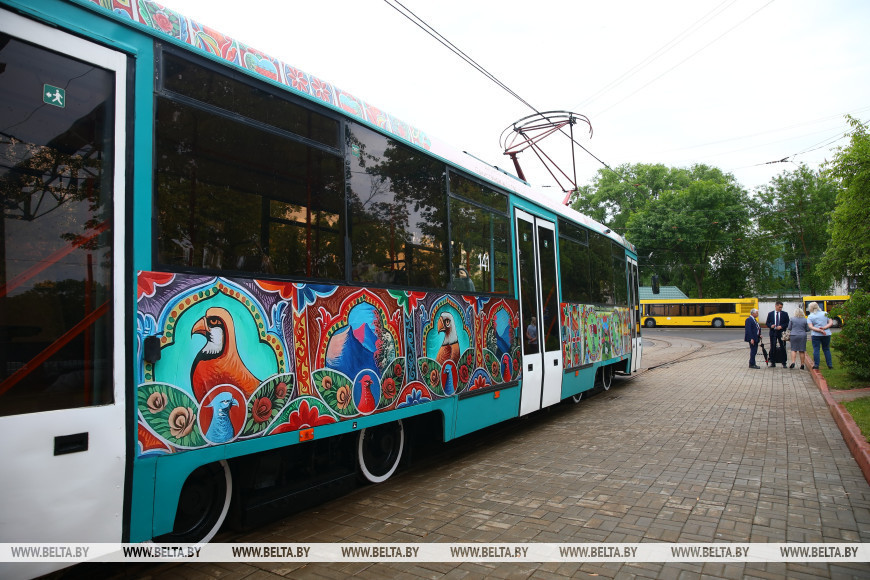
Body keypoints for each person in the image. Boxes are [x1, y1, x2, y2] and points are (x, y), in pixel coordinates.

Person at [806, 301, 834, 370]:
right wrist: (824, 328)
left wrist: (819, 330)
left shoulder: (810, 316)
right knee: (826, 349)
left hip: (816, 335)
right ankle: (830, 365)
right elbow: (831, 322)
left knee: (816, 349)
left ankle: (816, 365)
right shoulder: (825, 313)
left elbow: (811, 327)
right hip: (826, 334)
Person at [765, 301, 790, 368]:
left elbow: (787, 323)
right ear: (776, 306)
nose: (780, 308)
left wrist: (781, 326)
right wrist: (771, 326)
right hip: (773, 332)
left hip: (781, 332)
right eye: (779, 307)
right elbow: (767, 323)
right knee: (772, 347)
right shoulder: (770, 314)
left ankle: (784, 362)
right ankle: (772, 362)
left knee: (782, 347)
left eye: (781, 307)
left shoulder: (784, 314)